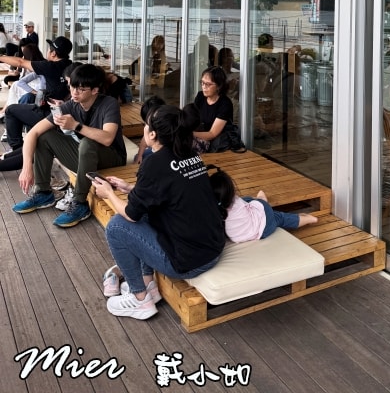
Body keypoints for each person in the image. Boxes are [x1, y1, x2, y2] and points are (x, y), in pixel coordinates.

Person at [92, 104, 225, 320]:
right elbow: (170, 191)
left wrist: (109, 193)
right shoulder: (189, 154)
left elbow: (130, 214)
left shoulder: (154, 163)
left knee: (117, 226)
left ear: (152, 134)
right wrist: (129, 188)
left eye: (146, 125)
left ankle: (140, 298)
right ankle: (148, 285)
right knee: (147, 211)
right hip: (211, 248)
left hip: (188, 262)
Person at [12, 63, 126, 228]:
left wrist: (76, 126)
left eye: (81, 89)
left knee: (87, 143)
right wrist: (26, 167)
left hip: (112, 157)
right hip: (87, 157)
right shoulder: (70, 105)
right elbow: (33, 133)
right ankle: (43, 192)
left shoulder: (108, 104)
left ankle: (80, 203)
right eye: (72, 86)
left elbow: (108, 138)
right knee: (44, 136)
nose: (74, 92)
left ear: (95, 90)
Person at [209, 168, 317, 243]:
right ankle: (309, 219)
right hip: (264, 228)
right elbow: (248, 205)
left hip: (241, 237)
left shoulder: (213, 210)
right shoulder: (237, 202)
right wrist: (259, 202)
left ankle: (261, 200)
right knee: (280, 217)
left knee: (246, 200)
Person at [2, 37, 72, 150]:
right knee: (29, 102)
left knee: (10, 110)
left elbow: (20, 62)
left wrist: (1, 57)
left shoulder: (50, 66)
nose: (48, 52)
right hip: (67, 113)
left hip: (51, 115)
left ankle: (17, 149)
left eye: (49, 49)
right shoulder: (71, 66)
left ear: (53, 53)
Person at [190, 66, 234, 152]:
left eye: (208, 84)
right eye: (202, 83)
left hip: (216, 144)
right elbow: (192, 117)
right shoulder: (200, 96)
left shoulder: (225, 104)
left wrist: (189, 135)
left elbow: (212, 134)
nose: (204, 87)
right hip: (199, 136)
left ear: (219, 86)